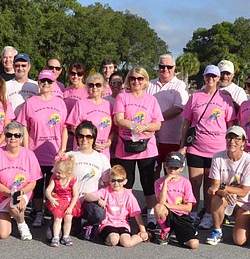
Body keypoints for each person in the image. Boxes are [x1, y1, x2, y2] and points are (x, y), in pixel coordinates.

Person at [179, 65, 236, 230]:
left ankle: (209, 214)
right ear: (204, 77)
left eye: (214, 76)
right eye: (208, 76)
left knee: (211, 184)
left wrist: (231, 147)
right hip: (196, 146)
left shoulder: (225, 98)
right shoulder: (195, 97)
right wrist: (183, 146)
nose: (210, 79)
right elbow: (186, 123)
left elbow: (231, 124)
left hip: (217, 148)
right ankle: (193, 212)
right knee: (195, 182)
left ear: (218, 78)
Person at [19, 69, 68, 227]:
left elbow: (65, 127)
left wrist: (63, 149)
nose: (46, 84)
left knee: (55, 185)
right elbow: (24, 127)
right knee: (38, 185)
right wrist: (27, 149)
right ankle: (38, 212)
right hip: (36, 152)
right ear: (38, 83)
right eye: (43, 81)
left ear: (54, 84)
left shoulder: (60, 102)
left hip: (55, 152)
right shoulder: (31, 102)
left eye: (49, 81)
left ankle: (54, 214)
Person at [113, 67, 163, 214]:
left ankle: (151, 215)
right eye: (133, 78)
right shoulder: (122, 97)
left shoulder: (151, 100)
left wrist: (145, 127)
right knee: (125, 183)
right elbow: (118, 119)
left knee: (148, 183)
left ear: (145, 81)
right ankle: (124, 214)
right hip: (126, 146)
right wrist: (135, 126)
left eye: (140, 78)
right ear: (129, 80)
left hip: (147, 147)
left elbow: (158, 124)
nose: (136, 81)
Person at [0, 122, 42, 241]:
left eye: (17, 135)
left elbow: (33, 182)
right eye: (9, 135)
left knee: (14, 204)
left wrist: (19, 194)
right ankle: (12, 215)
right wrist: (11, 194)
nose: (13, 138)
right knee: (3, 235)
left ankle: (21, 223)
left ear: (21, 138)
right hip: (3, 195)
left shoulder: (29, 155)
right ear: (5, 137)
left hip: (23, 193)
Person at [205, 126, 250, 246]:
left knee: (240, 241)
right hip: (225, 197)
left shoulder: (249, 161)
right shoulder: (217, 157)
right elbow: (215, 186)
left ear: (243, 142)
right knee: (216, 198)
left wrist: (223, 187)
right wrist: (225, 193)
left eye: (237, 139)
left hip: (243, 202)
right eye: (229, 137)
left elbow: (244, 192)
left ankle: (245, 222)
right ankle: (217, 230)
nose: (232, 141)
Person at [83, 164, 149, 247]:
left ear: (125, 181)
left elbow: (136, 213)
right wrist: (98, 199)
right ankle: (104, 235)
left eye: (119, 180)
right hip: (107, 223)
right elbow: (87, 196)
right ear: (109, 181)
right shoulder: (105, 191)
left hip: (122, 224)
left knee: (126, 243)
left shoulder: (128, 195)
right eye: (113, 180)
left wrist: (142, 230)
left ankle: (146, 236)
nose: (116, 183)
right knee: (114, 240)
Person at [67, 120, 111, 239]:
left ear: (94, 138)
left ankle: (89, 223)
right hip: (71, 200)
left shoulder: (101, 158)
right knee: (52, 235)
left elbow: (108, 184)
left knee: (98, 213)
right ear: (77, 137)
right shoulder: (69, 156)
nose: (84, 139)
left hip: (90, 200)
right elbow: (56, 180)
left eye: (88, 136)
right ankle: (76, 221)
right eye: (81, 136)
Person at [147, 54, 189, 172]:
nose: (165, 69)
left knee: (171, 173)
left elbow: (178, 108)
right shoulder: (149, 84)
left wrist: (156, 120)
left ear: (174, 68)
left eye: (169, 67)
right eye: (162, 66)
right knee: (152, 171)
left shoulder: (180, 85)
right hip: (152, 138)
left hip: (172, 138)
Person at [152, 152, 199, 249]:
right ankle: (166, 230)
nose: (172, 170)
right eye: (170, 167)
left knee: (194, 244)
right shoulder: (159, 182)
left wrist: (170, 206)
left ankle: (181, 233)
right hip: (168, 214)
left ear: (181, 168)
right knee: (158, 207)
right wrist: (166, 182)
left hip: (182, 216)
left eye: (176, 168)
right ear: (165, 166)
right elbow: (161, 203)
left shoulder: (185, 183)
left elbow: (188, 207)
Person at [66, 72, 114, 158]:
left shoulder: (109, 105)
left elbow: (113, 130)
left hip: (103, 152)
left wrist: (108, 143)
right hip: (83, 151)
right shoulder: (80, 104)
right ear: (87, 87)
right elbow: (74, 128)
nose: (94, 87)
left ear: (103, 87)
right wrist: (90, 142)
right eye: (91, 85)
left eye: (98, 85)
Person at [45, 154, 80, 247]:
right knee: (57, 219)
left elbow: (75, 195)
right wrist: (51, 199)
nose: (57, 174)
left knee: (68, 219)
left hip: (69, 202)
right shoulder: (55, 180)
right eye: (57, 172)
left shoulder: (72, 180)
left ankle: (66, 236)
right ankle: (56, 237)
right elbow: (48, 190)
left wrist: (71, 207)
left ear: (68, 172)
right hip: (59, 201)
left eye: (60, 173)